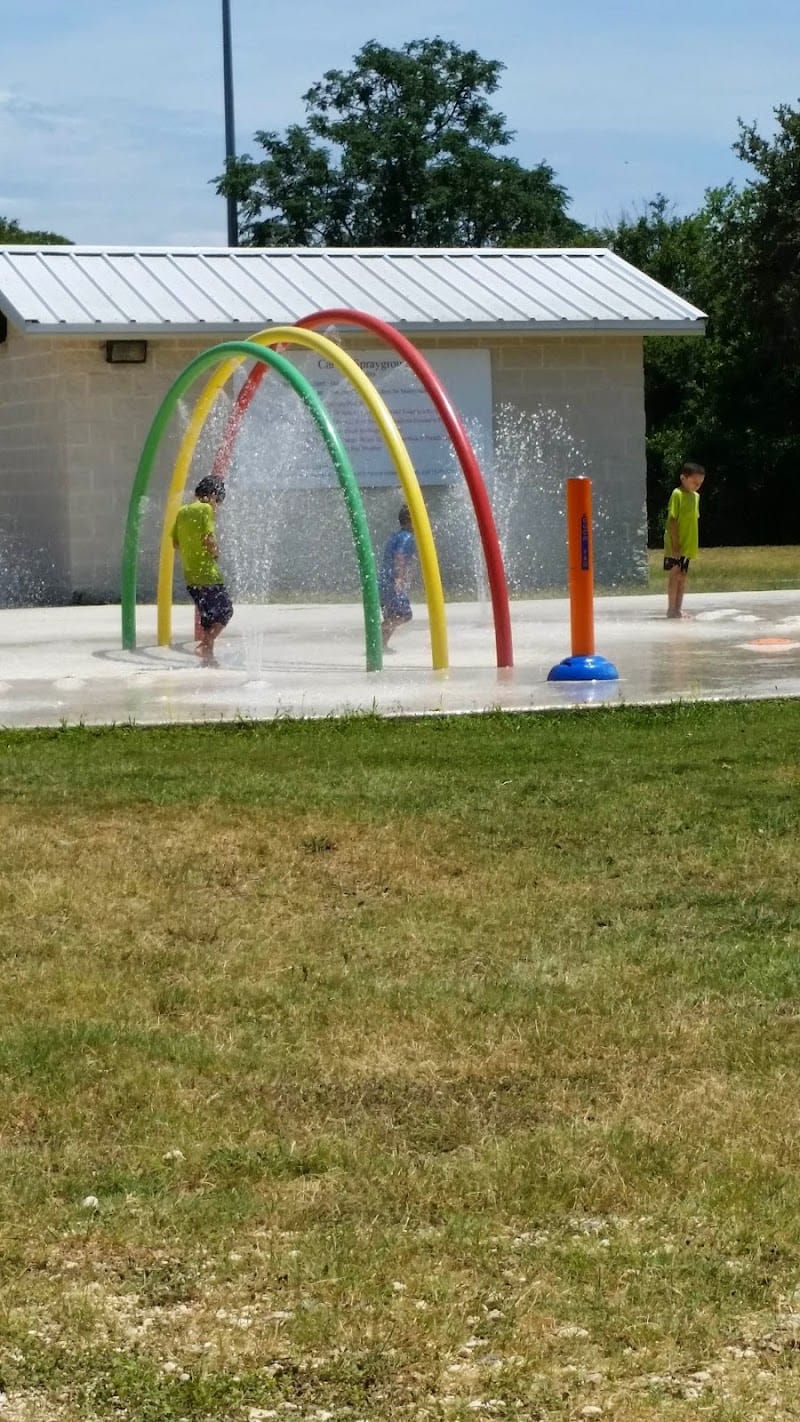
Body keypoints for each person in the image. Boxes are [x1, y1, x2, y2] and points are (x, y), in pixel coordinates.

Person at [171, 475, 233, 665]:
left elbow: (175, 543)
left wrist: (192, 549)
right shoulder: (205, 509)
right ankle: (206, 644)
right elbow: (208, 538)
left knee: (207, 617)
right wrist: (215, 552)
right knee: (225, 611)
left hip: (191, 576)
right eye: (218, 502)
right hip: (208, 574)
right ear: (213, 496)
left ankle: (208, 658)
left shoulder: (182, 512)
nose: (217, 508)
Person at [663, 461, 705, 620]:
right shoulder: (677, 494)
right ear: (683, 478)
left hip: (688, 545)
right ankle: (671, 609)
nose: (697, 486)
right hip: (676, 544)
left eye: (700, 483)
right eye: (694, 482)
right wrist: (675, 544)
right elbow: (673, 520)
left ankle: (678, 609)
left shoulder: (696, 497)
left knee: (683, 576)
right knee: (675, 575)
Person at [379, 503, 417, 650]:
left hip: (385, 579)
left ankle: (381, 645)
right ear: (409, 520)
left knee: (392, 614)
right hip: (392, 580)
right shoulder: (407, 537)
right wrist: (399, 578)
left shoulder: (396, 535)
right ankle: (379, 632)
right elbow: (399, 557)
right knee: (405, 614)